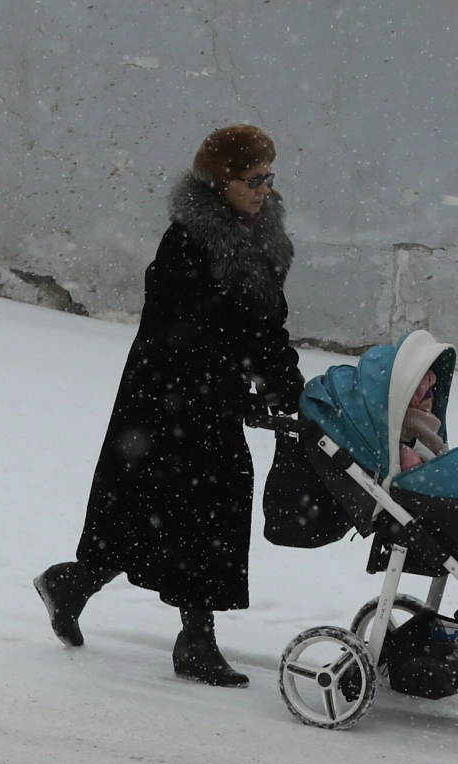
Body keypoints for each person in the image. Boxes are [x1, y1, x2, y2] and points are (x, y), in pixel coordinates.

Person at [34, 124, 304, 687]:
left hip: (212, 398)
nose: (262, 189)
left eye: (267, 177)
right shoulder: (187, 240)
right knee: (175, 507)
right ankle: (194, 643)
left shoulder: (262, 239)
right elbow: (176, 327)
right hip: (167, 396)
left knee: (175, 509)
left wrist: (283, 388)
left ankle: (73, 583)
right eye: (251, 179)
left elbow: (265, 326)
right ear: (219, 182)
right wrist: (233, 376)